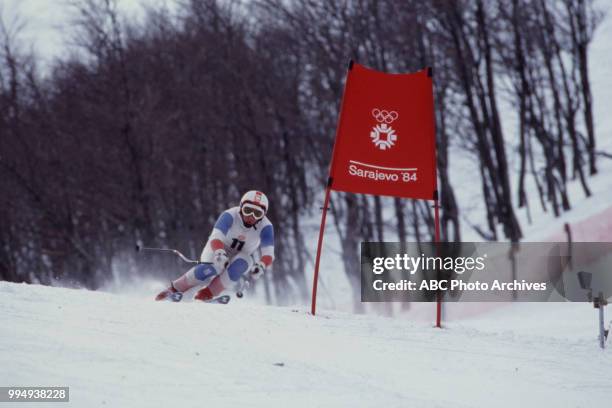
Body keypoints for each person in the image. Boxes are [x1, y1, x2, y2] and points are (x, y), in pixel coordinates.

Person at [155, 190, 274, 302]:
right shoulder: (230, 215)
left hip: (240, 256)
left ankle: (205, 294)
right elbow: (216, 236)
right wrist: (219, 253)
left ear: (263, 215)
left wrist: (261, 266)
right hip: (217, 248)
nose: (251, 216)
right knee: (215, 266)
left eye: (257, 213)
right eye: (248, 210)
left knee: (246, 261)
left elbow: (268, 254)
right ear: (241, 207)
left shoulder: (266, 226)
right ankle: (174, 289)